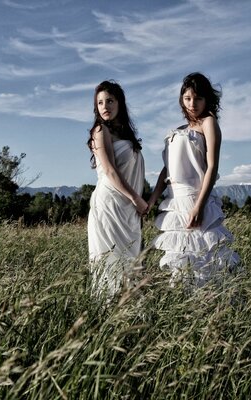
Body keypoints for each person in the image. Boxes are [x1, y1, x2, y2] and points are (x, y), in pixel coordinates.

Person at [147, 72, 240, 287]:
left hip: (195, 197)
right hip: (174, 201)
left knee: (205, 260)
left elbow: (212, 167)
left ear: (207, 99)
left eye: (198, 98)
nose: (192, 103)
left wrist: (199, 206)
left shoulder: (208, 122)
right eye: (187, 98)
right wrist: (152, 198)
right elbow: (166, 169)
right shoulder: (177, 131)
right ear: (182, 99)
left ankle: (213, 305)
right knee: (181, 263)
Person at [87, 80, 147, 299]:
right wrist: (136, 200)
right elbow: (111, 172)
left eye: (110, 101)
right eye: (100, 102)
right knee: (111, 261)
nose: (105, 106)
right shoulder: (99, 130)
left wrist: (136, 202)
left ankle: (130, 315)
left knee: (131, 262)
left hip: (128, 207)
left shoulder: (126, 135)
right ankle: (108, 315)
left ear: (120, 103)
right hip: (110, 203)